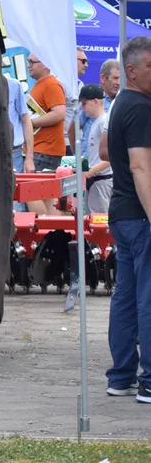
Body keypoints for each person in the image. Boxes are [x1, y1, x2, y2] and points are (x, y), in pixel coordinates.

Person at [104, 36, 151, 403]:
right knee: (145, 298)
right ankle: (149, 379)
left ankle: (121, 376)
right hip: (139, 214)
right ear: (131, 71)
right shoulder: (139, 107)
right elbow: (139, 166)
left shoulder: (122, 103)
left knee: (126, 296)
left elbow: (106, 149)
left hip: (122, 214)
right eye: (150, 66)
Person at [27, 53, 68, 171]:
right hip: (40, 151)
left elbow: (59, 114)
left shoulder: (51, 85)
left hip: (45, 151)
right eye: (28, 61)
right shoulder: (42, 84)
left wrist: (31, 123)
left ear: (45, 64)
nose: (28, 65)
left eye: (32, 62)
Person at [71, 58, 121, 152]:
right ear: (103, 78)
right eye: (115, 78)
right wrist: (77, 155)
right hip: (89, 160)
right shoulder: (91, 98)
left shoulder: (122, 101)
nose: (118, 83)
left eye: (121, 78)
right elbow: (73, 128)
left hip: (111, 161)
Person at [78, 84, 112, 215]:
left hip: (102, 180)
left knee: (100, 224)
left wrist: (90, 172)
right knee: (92, 220)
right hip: (96, 179)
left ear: (96, 101)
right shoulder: (96, 122)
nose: (83, 108)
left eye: (85, 103)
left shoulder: (103, 122)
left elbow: (112, 156)